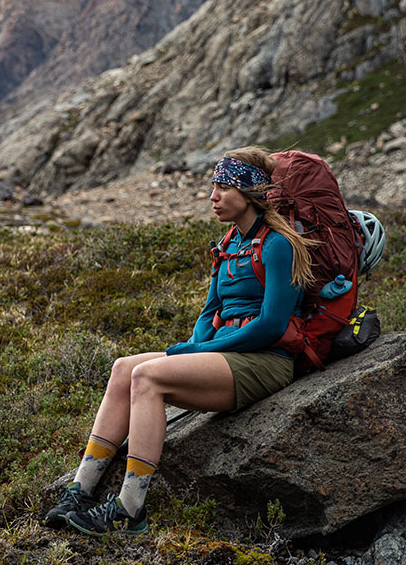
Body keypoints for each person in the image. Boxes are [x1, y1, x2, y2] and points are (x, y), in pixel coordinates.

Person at [45, 146, 314, 536]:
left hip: (266, 361)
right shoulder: (228, 245)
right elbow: (210, 313)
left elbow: (272, 325)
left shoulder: (279, 245)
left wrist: (201, 351)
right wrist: (194, 346)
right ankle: (80, 490)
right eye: (213, 187)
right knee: (124, 368)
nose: (213, 197)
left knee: (149, 378)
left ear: (251, 193)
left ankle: (129, 509)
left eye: (223, 188)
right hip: (230, 355)